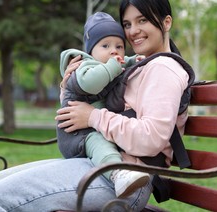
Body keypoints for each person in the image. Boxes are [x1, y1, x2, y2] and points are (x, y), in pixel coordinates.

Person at [0, 0, 193, 212]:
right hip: (102, 164)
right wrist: (70, 84)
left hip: (128, 180)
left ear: (166, 23)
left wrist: (93, 117)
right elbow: (94, 100)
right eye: (127, 24)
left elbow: (151, 139)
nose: (133, 31)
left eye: (142, 21)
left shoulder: (163, 69)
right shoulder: (139, 64)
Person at [57, 11, 150, 198]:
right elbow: (91, 83)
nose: (114, 51)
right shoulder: (85, 67)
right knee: (100, 142)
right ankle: (117, 174)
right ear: (90, 52)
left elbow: (119, 66)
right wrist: (113, 66)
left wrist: (132, 61)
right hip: (76, 133)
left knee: (102, 141)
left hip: (90, 124)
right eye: (105, 45)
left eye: (119, 46)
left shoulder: (110, 66)